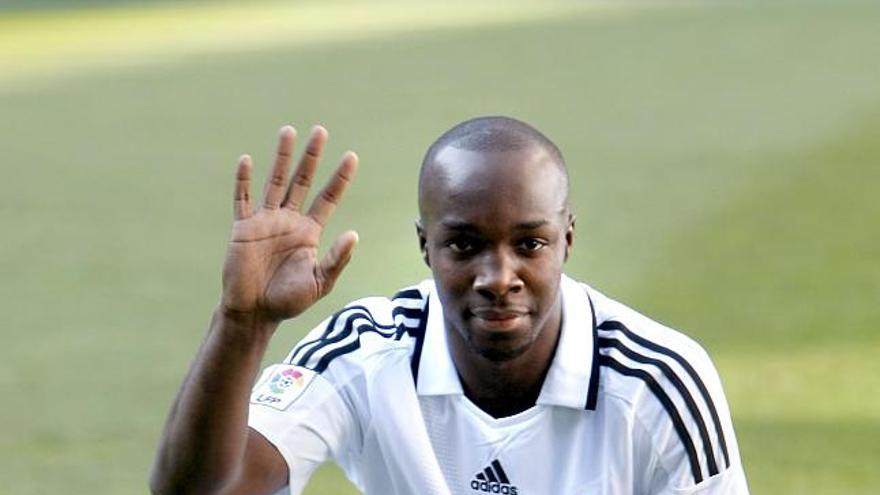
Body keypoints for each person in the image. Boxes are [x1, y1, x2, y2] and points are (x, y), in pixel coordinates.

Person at [150, 116, 750, 495]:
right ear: (425, 247)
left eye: (529, 244)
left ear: (567, 239)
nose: (498, 277)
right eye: (465, 244)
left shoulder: (660, 380)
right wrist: (243, 324)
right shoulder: (362, 351)